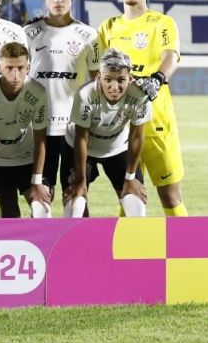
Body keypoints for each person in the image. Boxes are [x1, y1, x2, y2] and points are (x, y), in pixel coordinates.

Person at [96, 0, 187, 216]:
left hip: (156, 121)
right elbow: (98, 71)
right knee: (129, 196)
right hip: (122, 125)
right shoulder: (109, 27)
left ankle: (189, 253)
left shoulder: (162, 22)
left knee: (170, 195)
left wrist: (156, 79)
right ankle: (129, 255)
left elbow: (171, 56)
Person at [25, 0, 99, 208]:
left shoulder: (89, 35)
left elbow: (97, 83)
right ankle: (42, 245)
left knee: (76, 198)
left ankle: (80, 245)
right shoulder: (27, 33)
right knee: (40, 200)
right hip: (38, 129)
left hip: (74, 130)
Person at [62, 49, 151, 218]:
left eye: (121, 80)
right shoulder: (85, 94)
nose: (114, 87)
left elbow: (137, 136)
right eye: (108, 79)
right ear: (99, 77)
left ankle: (133, 244)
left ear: (130, 78)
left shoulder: (140, 96)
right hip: (82, 147)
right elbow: (82, 137)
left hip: (117, 147)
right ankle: (82, 242)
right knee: (74, 207)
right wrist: (80, 179)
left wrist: (130, 177)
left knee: (137, 207)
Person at [0, 43, 51, 218]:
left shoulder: (38, 92)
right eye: (9, 68)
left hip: (25, 158)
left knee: (43, 211)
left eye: (20, 68)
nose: (15, 75)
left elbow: (40, 139)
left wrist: (37, 181)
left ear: (28, 68)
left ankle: (37, 245)